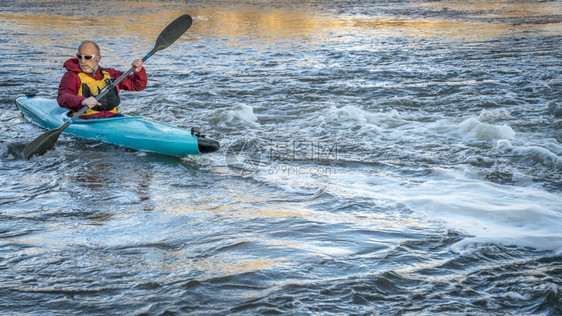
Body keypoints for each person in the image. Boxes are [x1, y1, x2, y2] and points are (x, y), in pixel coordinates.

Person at [57, 40, 147, 119]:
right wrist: (83, 101)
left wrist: (139, 71)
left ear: (98, 58)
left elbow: (137, 85)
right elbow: (63, 97)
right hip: (87, 119)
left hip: (114, 118)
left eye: (87, 57)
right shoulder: (72, 76)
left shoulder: (111, 74)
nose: (82, 61)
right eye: (80, 56)